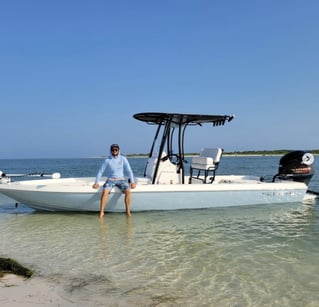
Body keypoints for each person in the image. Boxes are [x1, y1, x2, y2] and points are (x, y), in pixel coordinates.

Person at [92, 144, 136, 218]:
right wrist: (96, 183)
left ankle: (128, 211)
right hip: (110, 180)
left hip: (121, 180)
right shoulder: (107, 160)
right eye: (113, 150)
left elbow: (129, 171)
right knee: (105, 191)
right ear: (110, 151)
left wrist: (132, 182)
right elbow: (100, 171)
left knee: (128, 190)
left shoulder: (123, 159)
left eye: (116, 150)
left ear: (119, 150)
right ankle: (101, 212)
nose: (114, 151)